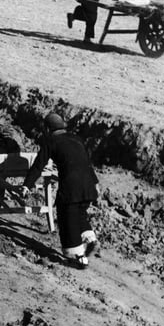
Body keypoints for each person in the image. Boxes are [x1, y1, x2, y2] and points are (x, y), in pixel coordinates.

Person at [22, 112, 101, 268]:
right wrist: (96, 183)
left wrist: (26, 185)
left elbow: (39, 165)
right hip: (88, 185)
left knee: (67, 218)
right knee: (79, 214)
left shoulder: (50, 141)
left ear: (47, 128)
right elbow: (86, 163)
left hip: (72, 186)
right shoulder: (76, 139)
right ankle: (91, 239)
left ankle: (79, 258)